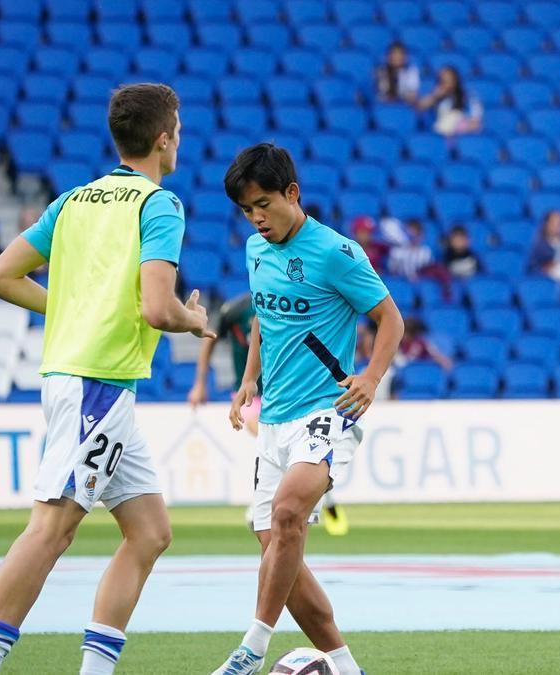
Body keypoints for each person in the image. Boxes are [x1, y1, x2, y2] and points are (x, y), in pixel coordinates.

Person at [0, 83, 214, 675]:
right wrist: (193, 319)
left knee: (150, 531)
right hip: (96, 385)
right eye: (177, 128)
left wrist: (76, 308)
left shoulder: (74, 201)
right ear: (162, 139)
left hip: (88, 381)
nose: (179, 138)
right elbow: (159, 308)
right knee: (51, 529)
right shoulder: (159, 205)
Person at [212, 143, 402, 675]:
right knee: (277, 547)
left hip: (326, 409)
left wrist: (370, 377)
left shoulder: (336, 253)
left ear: (292, 194)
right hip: (274, 417)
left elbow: (391, 319)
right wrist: (249, 379)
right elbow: (261, 320)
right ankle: (344, 665)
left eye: (264, 204)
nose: (256, 218)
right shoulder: (255, 250)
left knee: (289, 513)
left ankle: (252, 647)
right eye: (247, 210)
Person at [186, 293, 351, 537]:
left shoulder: (289, 302)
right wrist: (200, 383)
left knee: (288, 448)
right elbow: (211, 339)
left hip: (285, 393)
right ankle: (315, 495)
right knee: (263, 434)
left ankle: (287, 501)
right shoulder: (236, 309)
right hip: (250, 393)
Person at [418, 66, 482, 137]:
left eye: (449, 80)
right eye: (442, 81)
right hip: (439, 135)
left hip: (461, 137)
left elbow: (476, 123)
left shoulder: (468, 97)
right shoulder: (436, 96)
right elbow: (420, 107)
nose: (446, 83)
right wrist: (435, 96)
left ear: (455, 81)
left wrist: (459, 128)